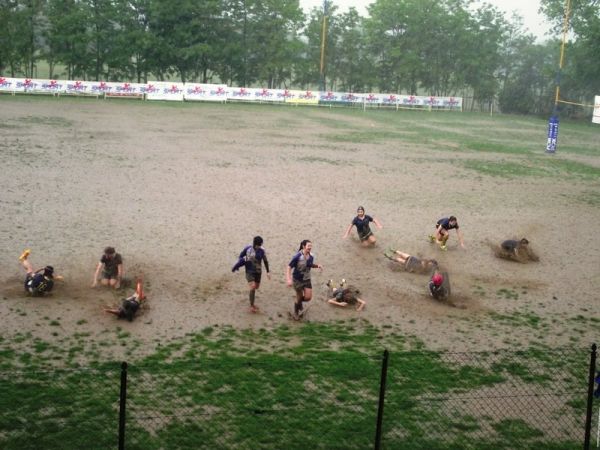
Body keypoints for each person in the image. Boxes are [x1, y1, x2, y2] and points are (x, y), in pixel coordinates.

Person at [232, 236, 271, 313]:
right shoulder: (248, 249)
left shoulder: (262, 250)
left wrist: (268, 272)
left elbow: (265, 261)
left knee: (256, 286)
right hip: (249, 271)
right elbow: (241, 256)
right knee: (253, 287)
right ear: (255, 244)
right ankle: (252, 305)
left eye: (261, 244)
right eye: (259, 245)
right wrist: (239, 264)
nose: (260, 246)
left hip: (258, 271)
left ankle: (251, 296)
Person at [286, 240, 322, 320]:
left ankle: (298, 302)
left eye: (311, 246)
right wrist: (288, 279)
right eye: (308, 246)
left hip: (307, 279)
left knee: (308, 297)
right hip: (297, 280)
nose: (310, 247)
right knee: (299, 296)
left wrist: (317, 266)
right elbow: (289, 267)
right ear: (303, 246)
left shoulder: (311, 256)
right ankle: (296, 312)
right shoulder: (297, 256)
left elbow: (309, 264)